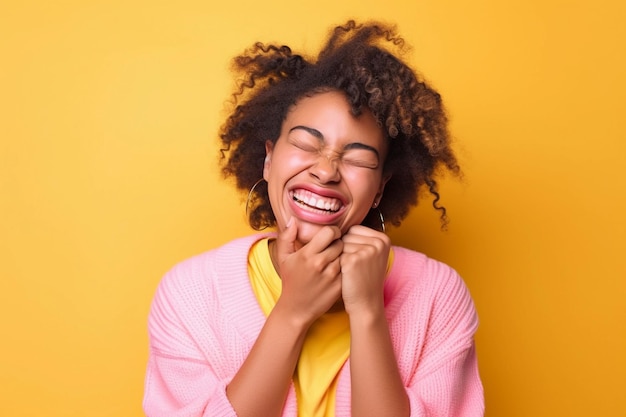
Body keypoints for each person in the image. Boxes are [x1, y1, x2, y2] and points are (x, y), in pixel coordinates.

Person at [143, 20, 483, 417]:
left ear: (380, 188)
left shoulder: (437, 295)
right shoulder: (191, 293)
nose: (326, 171)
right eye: (306, 143)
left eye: (357, 158)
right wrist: (293, 311)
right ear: (268, 159)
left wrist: (369, 311)